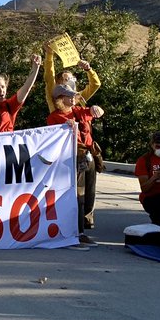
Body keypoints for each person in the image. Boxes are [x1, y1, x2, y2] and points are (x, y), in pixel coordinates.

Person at [47, 84, 104, 245]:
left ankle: (85, 223)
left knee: (90, 193)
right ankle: (78, 232)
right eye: (68, 96)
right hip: (73, 158)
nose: (72, 98)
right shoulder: (54, 117)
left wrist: (96, 109)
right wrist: (64, 130)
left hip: (89, 154)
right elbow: (53, 139)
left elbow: (94, 113)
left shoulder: (78, 111)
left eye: (73, 95)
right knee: (78, 195)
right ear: (59, 99)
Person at [43, 45, 100, 113]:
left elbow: (95, 85)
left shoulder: (78, 97)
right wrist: (49, 54)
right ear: (58, 83)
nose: (71, 81)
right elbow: (49, 75)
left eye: (72, 78)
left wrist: (88, 70)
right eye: (67, 79)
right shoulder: (53, 95)